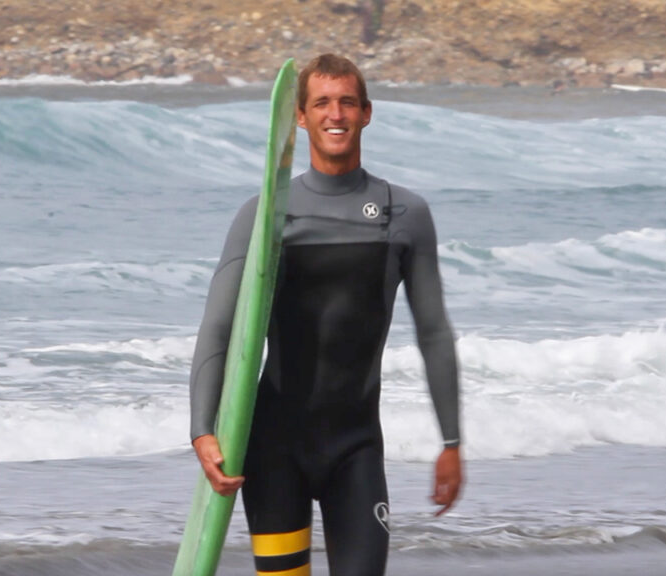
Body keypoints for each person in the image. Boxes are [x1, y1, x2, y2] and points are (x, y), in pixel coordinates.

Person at [189, 53, 462, 576]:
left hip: (356, 448)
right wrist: (203, 429)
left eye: (346, 102)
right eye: (321, 103)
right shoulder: (265, 212)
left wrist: (451, 441)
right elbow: (219, 326)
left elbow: (433, 332)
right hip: (273, 451)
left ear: (366, 113)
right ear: (299, 116)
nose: (334, 114)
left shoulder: (404, 214)